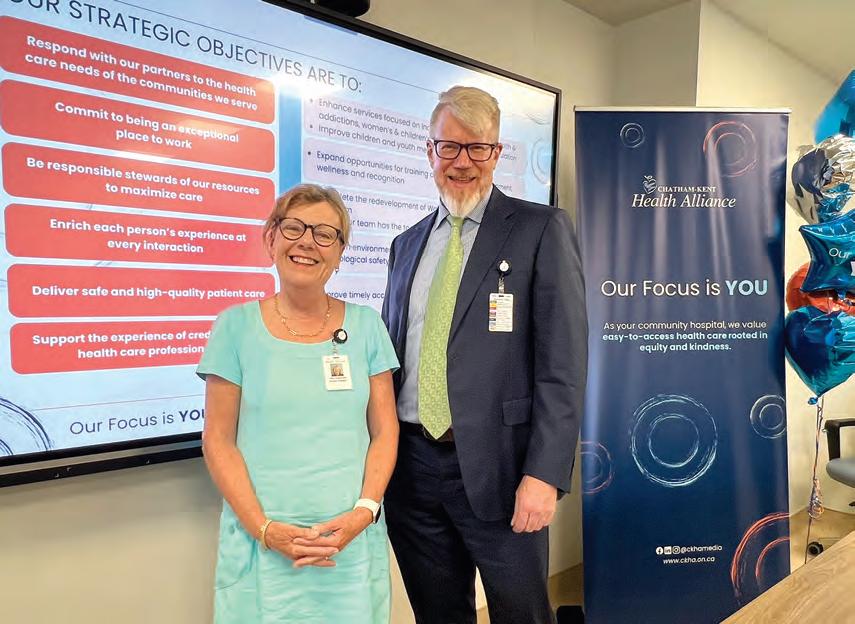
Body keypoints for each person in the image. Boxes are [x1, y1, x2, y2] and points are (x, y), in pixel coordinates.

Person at [381, 86, 587, 624]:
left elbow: (562, 368)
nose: (462, 162)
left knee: (522, 614)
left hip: (504, 468)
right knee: (438, 614)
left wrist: (544, 474)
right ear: (430, 151)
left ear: (497, 153)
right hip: (412, 471)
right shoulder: (405, 245)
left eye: (478, 148)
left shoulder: (540, 229)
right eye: (449, 147)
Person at [198, 183, 399, 623]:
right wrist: (264, 529)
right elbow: (217, 440)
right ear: (270, 238)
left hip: (348, 541)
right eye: (294, 228)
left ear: (340, 253)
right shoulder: (234, 328)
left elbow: (385, 432)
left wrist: (364, 512)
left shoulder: (367, 327)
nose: (307, 242)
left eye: (325, 234)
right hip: (262, 541)